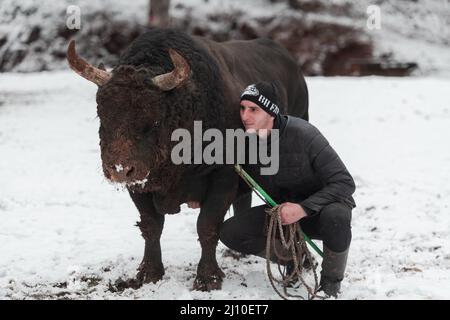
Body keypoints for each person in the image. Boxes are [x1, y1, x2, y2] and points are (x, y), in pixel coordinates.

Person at [219, 81, 356, 297]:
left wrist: (303, 209)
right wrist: (199, 195)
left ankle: (330, 283)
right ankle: (295, 257)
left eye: (253, 109)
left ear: (271, 112)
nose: (245, 116)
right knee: (231, 233)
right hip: (280, 215)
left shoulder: (305, 135)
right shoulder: (247, 141)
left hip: (320, 212)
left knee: (337, 216)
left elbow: (344, 183)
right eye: (242, 108)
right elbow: (241, 185)